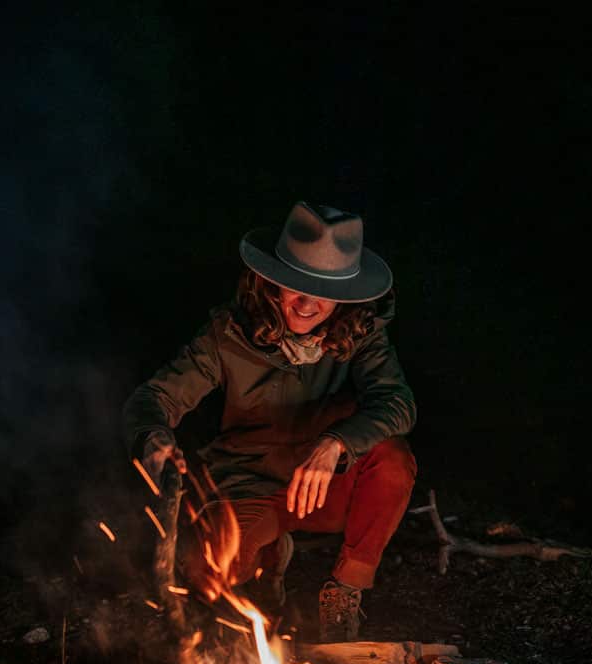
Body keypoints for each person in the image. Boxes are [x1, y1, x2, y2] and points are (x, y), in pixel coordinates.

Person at [123, 201, 417, 641]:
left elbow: (397, 402)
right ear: (270, 283)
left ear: (346, 295)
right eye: (296, 286)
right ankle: (269, 556)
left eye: (324, 292)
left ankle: (344, 592)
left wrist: (338, 443)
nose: (307, 304)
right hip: (250, 480)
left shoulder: (363, 332)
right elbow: (155, 397)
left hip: (324, 484)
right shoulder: (228, 334)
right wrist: (153, 436)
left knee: (392, 460)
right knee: (205, 572)